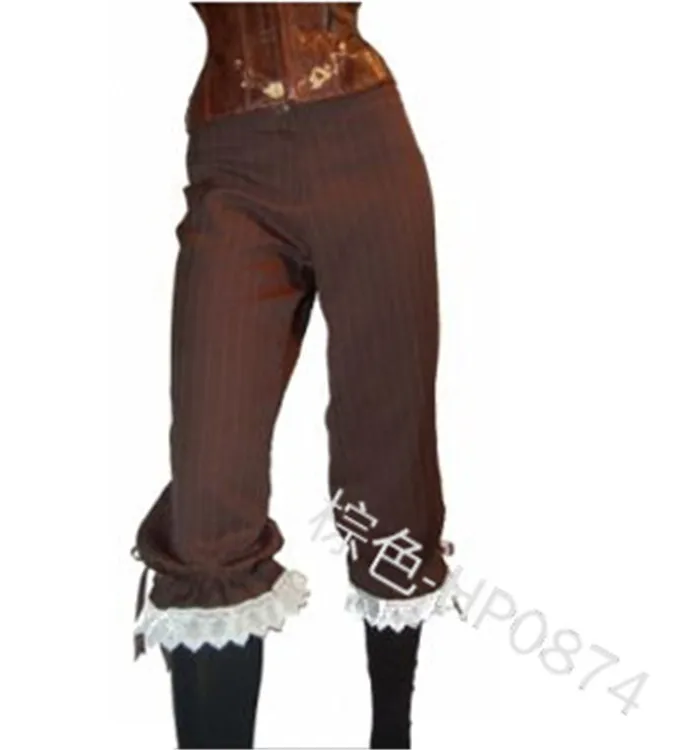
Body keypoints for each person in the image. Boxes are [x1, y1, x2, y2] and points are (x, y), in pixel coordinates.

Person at [130, 3, 457, 747]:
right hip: (233, 161)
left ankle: (391, 735)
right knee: (208, 492)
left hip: (364, 141)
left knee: (391, 457)